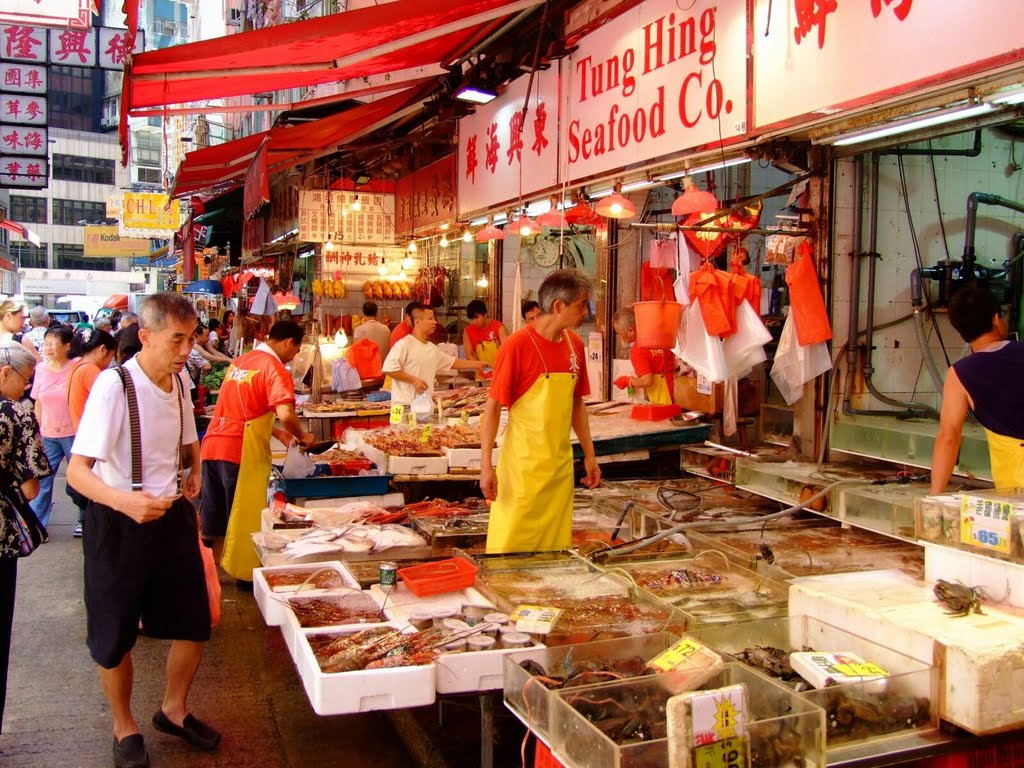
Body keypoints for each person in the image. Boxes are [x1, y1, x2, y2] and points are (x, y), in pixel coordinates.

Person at [67, 293, 219, 768]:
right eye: (178, 339)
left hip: (170, 515)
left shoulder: (177, 382)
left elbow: (188, 437)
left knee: (195, 622)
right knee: (114, 635)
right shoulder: (115, 386)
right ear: (147, 336)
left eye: (191, 338)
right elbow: (77, 471)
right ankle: (123, 727)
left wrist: (193, 470)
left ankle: (173, 710)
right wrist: (123, 500)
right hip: (117, 520)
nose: (186, 349)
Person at [480, 270, 601, 553]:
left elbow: (576, 405)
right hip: (521, 471)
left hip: (559, 470)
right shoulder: (516, 346)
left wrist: (590, 456)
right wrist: (486, 466)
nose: (586, 311)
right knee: (509, 550)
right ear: (559, 306)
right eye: (581, 304)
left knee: (554, 553)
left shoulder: (576, 346)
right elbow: (493, 408)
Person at [200, 320, 315, 581]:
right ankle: (242, 575)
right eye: (295, 351)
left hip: (213, 444)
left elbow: (243, 411)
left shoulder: (241, 362)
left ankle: (211, 578)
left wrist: (277, 433)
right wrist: (303, 435)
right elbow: (285, 413)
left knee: (214, 519)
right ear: (289, 343)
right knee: (242, 515)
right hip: (239, 449)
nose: (293, 357)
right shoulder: (274, 368)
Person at [0, 342, 51, 734]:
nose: (27, 388)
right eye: (24, 379)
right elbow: (32, 489)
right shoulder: (15, 412)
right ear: (5, 373)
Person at [931, 283, 1024, 493]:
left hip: (1015, 486)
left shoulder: (959, 374)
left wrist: (934, 496)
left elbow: (949, 437)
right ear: (996, 320)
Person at [66, 328, 118, 537]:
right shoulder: (92, 371)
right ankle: (86, 523)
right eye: (111, 357)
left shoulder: (77, 365)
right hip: (91, 438)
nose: (110, 362)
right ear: (103, 349)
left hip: (79, 433)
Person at [28, 325, 79, 531]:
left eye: (53, 343)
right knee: (42, 480)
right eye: (45, 343)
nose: (48, 348)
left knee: (79, 479)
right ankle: (37, 526)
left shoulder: (77, 367)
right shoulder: (41, 369)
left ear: (67, 346)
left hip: (75, 433)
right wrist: (38, 430)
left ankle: (84, 520)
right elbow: (37, 401)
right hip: (48, 434)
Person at [382, 306, 485, 406]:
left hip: (425, 407)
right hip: (405, 407)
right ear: (417, 322)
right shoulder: (404, 344)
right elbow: (389, 369)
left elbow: (452, 362)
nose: (435, 322)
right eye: (430, 318)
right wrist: (414, 380)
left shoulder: (431, 348)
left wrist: (478, 364)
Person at [610, 307, 677, 405]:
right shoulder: (657, 335)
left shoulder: (638, 349)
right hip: (679, 391)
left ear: (630, 330)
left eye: (619, 334)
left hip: (665, 398)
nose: (620, 338)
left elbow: (647, 381)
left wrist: (627, 380)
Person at [463, 299, 507, 372]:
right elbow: (469, 355)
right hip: (480, 372)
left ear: (485, 314)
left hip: (499, 370)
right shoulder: (467, 331)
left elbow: (507, 352)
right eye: (472, 319)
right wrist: (482, 369)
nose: (474, 321)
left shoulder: (499, 327)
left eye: (477, 318)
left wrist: (498, 369)